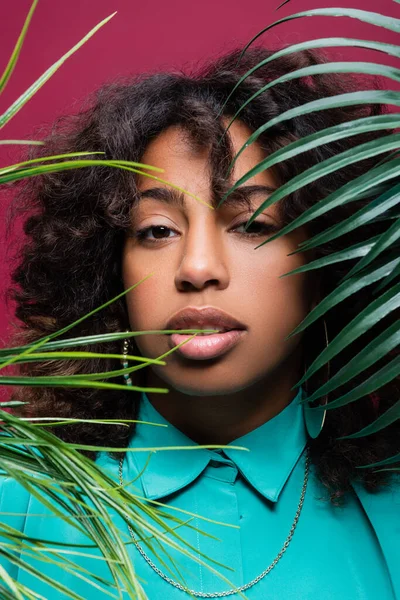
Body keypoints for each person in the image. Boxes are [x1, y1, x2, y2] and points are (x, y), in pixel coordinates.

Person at [0, 45, 399, 599]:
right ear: (107, 269)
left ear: (327, 257)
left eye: (252, 223)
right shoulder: (17, 497)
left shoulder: (392, 503)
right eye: (158, 230)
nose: (198, 268)